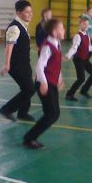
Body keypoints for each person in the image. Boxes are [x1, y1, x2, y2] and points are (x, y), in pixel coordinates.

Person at [23, 18, 65, 149]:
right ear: (54, 32)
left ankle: (30, 137)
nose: (64, 30)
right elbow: (39, 67)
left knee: (54, 114)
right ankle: (29, 138)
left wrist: (59, 78)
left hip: (51, 82)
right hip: (45, 83)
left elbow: (55, 65)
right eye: (61, 28)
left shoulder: (57, 44)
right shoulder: (48, 47)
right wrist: (44, 83)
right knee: (51, 114)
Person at [0, 0, 36, 122]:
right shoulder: (14, 27)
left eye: (31, 11)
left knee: (26, 88)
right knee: (29, 89)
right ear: (18, 13)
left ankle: (23, 113)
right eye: (27, 12)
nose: (30, 14)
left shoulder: (23, 25)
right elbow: (9, 47)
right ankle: (6, 110)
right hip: (17, 65)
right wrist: (7, 64)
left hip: (25, 63)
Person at [65, 17, 92, 101]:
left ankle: (84, 90)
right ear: (80, 24)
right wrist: (68, 55)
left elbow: (89, 48)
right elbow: (74, 48)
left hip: (85, 60)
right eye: (84, 24)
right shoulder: (78, 36)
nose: (86, 26)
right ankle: (69, 94)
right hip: (78, 60)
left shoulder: (87, 36)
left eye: (87, 24)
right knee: (81, 78)